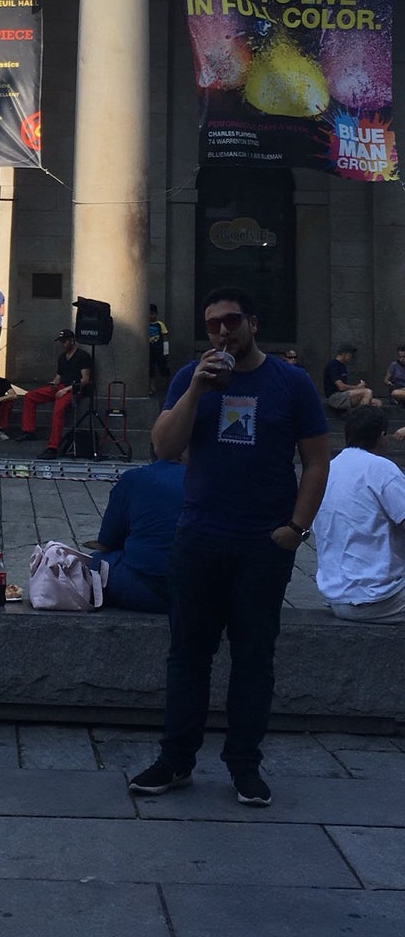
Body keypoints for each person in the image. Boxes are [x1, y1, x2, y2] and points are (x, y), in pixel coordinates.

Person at [129, 285, 329, 808]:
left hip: (263, 543)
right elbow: (164, 449)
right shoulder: (189, 378)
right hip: (199, 537)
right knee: (187, 655)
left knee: (253, 658)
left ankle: (244, 765)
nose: (222, 331)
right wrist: (196, 390)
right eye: (213, 323)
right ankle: (175, 760)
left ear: (253, 323)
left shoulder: (292, 383)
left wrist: (296, 529)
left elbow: (316, 461)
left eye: (232, 320)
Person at [314, 405, 405, 621]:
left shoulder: (330, 469)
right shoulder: (382, 469)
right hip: (380, 597)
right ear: (382, 436)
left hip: (336, 595)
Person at [88, 456, 185, 612]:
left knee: (95, 561)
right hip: (200, 590)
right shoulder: (211, 482)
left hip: (144, 586)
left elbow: (107, 542)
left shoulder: (133, 479)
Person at [17, 329, 91, 458]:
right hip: (61, 386)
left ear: (72, 340)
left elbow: (85, 379)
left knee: (58, 410)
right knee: (30, 396)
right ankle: (28, 431)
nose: (62, 344)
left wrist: (66, 389)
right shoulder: (62, 357)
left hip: (74, 389)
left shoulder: (82, 355)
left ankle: (53, 447)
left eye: (65, 341)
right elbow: (59, 376)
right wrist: (53, 384)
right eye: (61, 342)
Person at [323, 344, 378, 412]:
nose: (352, 357)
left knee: (377, 402)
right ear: (344, 354)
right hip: (335, 397)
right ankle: (359, 418)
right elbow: (341, 387)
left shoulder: (342, 366)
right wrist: (357, 387)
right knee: (367, 392)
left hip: (342, 395)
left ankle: (354, 414)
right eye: (351, 354)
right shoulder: (333, 365)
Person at [149, 304, 170, 392]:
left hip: (159, 350)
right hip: (149, 350)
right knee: (151, 369)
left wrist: (166, 350)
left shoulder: (160, 324)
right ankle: (152, 387)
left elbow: (165, 337)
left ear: (156, 314)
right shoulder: (144, 324)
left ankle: (168, 382)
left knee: (163, 367)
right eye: (149, 314)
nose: (150, 316)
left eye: (152, 314)